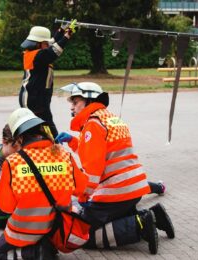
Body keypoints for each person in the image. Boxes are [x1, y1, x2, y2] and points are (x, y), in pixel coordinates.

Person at [55, 82, 175, 254]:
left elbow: (92, 173)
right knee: (111, 218)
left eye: (75, 102)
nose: (72, 108)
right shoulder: (109, 118)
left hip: (116, 193)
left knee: (82, 235)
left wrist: (82, 196)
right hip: (133, 190)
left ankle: (139, 226)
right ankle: (155, 216)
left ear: (89, 100)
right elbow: (102, 152)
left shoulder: (93, 125)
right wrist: (73, 141)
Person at [0, 108, 89, 259]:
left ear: (19, 137)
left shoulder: (12, 163)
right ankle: (46, 247)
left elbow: (5, 206)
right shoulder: (64, 155)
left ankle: (36, 253)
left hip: (23, 232)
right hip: (56, 229)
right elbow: (81, 188)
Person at [19, 22, 75, 138]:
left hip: (35, 97)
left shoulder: (34, 52)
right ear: (39, 44)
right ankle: (55, 147)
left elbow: (51, 42)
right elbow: (54, 51)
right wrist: (67, 36)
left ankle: (46, 145)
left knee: (39, 127)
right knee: (47, 126)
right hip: (34, 99)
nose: (48, 44)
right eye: (45, 43)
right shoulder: (38, 56)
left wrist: (61, 30)